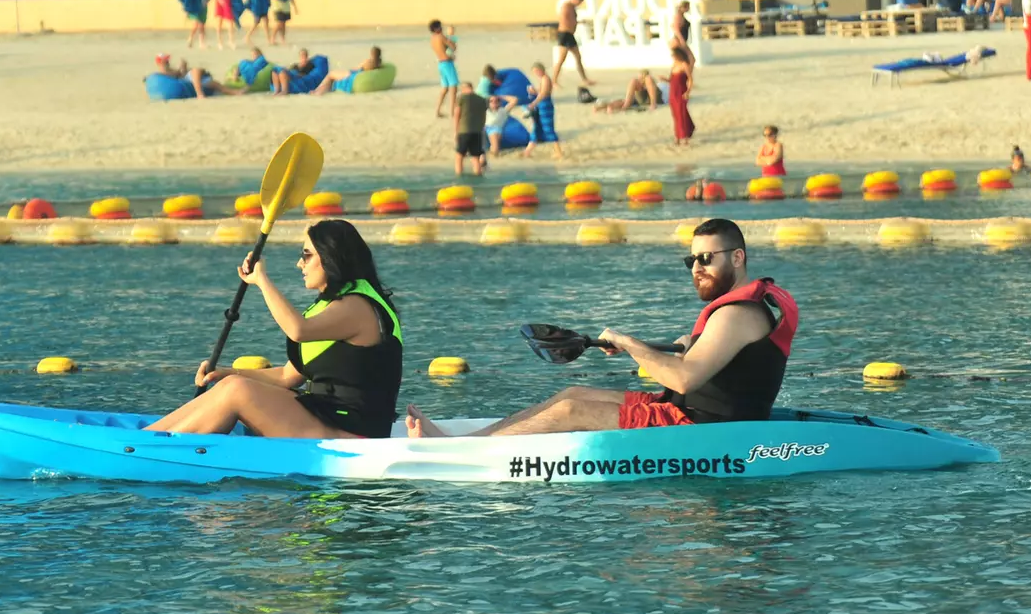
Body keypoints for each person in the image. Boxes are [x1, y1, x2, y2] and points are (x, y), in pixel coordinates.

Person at [406, 218, 797, 438]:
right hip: (686, 412)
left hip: (701, 427)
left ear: (739, 256)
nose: (696, 268)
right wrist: (676, 343)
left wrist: (628, 343)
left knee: (572, 410)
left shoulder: (737, 313)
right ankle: (469, 441)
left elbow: (683, 379)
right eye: (691, 260)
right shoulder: (743, 308)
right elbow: (709, 355)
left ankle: (456, 449)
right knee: (573, 391)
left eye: (707, 258)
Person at [145, 220, 403, 439]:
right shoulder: (338, 305)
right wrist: (224, 372)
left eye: (307, 255)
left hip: (353, 433)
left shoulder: (356, 307)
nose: (299, 264)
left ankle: (148, 448)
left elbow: (297, 330)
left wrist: (262, 281)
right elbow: (287, 378)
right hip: (328, 419)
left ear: (331, 257)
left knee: (238, 391)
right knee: (233, 384)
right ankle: (146, 438)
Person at [523, 61, 563, 160]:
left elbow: (543, 94)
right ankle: (527, 151)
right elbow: (541, 92)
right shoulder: (543, 79)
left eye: (536, 71)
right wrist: (534, 91)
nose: (536, 73)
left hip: (545, 106)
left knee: (548, 128)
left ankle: (559, 152)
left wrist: (533, 103)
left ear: (541, 70)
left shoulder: (546, 79)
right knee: (537, 127)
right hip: (542, 105)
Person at [553, 0, 592, 85]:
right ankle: (554, 81)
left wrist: (579, 22)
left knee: (578, 57)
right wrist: (574, 23)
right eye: (579, 2)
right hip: (564, 34)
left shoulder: (572, 7)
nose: (579, 4)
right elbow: (564, 19)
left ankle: (585, 79)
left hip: (570, 35)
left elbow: (572, 20)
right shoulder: (566, 6)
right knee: (562, 59)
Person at [313, 46, 381, 94]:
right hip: (358, 75)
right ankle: (320, 91)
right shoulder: (379, 63)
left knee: (331, 75)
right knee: (332, 78)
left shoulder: (368, 62)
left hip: (354, 75)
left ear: (371, 53)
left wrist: (350, 69)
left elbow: (358, 69)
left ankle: (318, 91)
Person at [454, 84, 489, 176]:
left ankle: (459, 177)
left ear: (464, 88)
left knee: (459, 156)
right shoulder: (482, 99)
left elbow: (457, 115)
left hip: (464, 130)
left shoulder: (462, 98)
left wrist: (456, 131)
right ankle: (478, 177)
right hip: (477, 131)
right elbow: (484, 116)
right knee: (475, 157)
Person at [429, 19, 459, 118]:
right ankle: (452, 112)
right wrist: (452, 36)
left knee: (445, 88)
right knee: (453, 88)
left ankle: (437, 110)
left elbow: (441, 50)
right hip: (447, 63)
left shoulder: (432, 38)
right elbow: (453, 47)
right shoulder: (441, 37)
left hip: (441, 64)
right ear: (437, 28)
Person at [594, 71, 661, 113]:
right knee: (633, 81)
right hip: (640, 99)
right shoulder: (650, 83)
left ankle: (653, 104)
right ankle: (607, 107)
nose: (641, 79)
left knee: (647, 79)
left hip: (654, 98)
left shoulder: (650, 80)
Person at [668, 44, 695, 145]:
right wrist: (665, 79)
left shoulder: (684, 65)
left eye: (673, 54)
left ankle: (685, 138)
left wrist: (688, 92)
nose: (672, 56)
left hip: (681, 92)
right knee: (675, 115)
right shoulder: (674, 65)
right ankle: (678, 137)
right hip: (673, 93)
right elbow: (672, 80)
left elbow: (690, 80)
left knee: (681, 114)